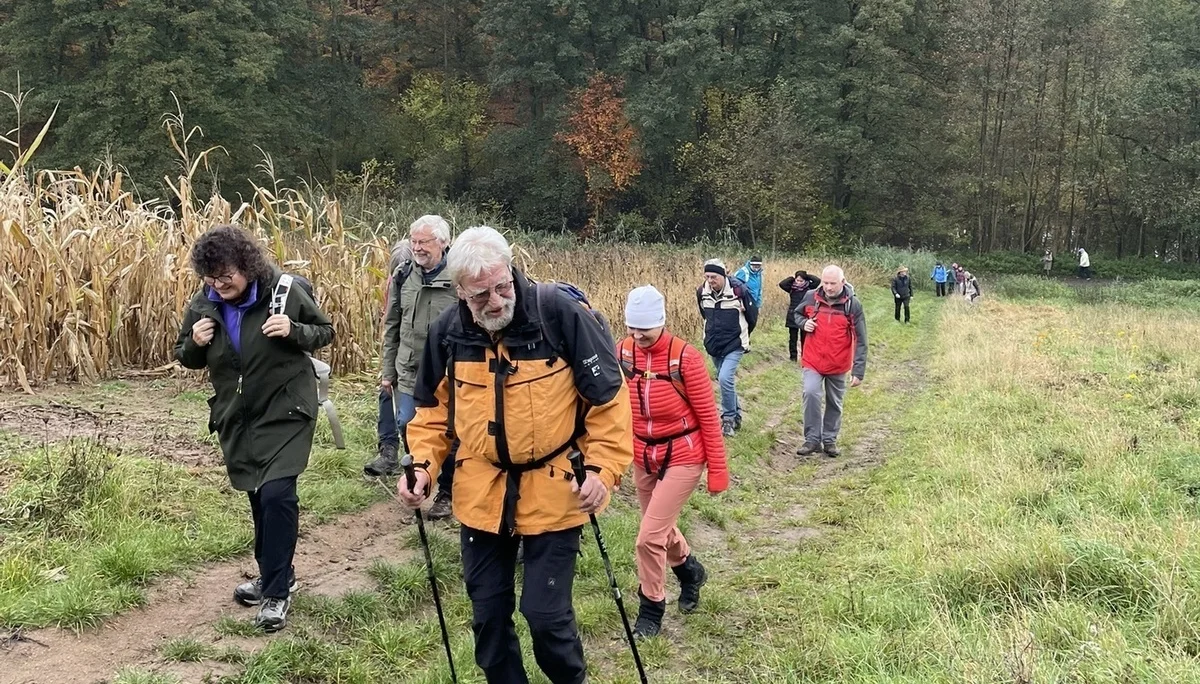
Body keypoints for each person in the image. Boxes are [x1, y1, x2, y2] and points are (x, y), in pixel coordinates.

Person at [398, 226, 634, 684]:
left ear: (511, 270)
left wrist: (603, 471)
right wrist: (423, 468)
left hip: (557, 487)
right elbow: (431, 413)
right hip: (481, 490)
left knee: (545, 616)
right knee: (488, 616)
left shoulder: (559, 315)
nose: (495, 300)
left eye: (502, 287)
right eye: (481, 294)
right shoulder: (449, 332)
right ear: (459, 290)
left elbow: (609, 403)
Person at [174, 224, 334, 632]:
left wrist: (293, 331)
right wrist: (195, 340)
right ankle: (275, 573)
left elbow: (325, 332)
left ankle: (276, 593)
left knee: (279, 493)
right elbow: (186, 357)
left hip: (286, 410)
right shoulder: (203, 304)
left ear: (247, 265)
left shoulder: (283, 291)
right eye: (210, 277)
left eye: (226, 275)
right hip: (238, 416)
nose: (218, 284)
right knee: (258, 497)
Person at [617, 285, 729, 639]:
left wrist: (718, 471)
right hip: (641, 453)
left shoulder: (686, 358)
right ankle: (690, 571)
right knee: (658, 529)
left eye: (644, 329)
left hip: (683, 454)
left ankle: (651, 607)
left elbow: (709, 417)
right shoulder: (621, 353)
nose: (638, 336)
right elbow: (612, 409)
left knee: (647, 538)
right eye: (632, 328)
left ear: (661, 322)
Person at [365, 216, 461, 519]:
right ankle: (420, 481)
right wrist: (387, 371)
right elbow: (391, 326)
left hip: (449, 374)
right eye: (414, 241)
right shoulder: (404, 275)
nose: (417, 248)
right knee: (408, 423)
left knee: (451, 432)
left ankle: (447, 491)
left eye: (424, 242)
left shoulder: (459, 278)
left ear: (443, 243)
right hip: (408, 370)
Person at [793, 265, 867, 457]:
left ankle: (829, 441)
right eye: (825, 282)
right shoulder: (811, 297)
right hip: (813, 360)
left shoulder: (852, 304)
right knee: (810, 394)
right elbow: (797, 314)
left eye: (832, 283)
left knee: (834, 402)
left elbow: (861, 339)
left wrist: (858, 371)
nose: (828, 287)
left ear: (842, 282)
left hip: (838, 363)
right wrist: (804, 323)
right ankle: (812, 440)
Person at [697, 258, 758, 436]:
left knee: (724, 379)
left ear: (724, 275)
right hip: (714, 344)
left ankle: (728, 419)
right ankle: (737, 414)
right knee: (725, 381)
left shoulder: (739, 291)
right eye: (707, 276)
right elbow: (705, 315)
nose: (710, 280)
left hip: (735, 343)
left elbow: (752, 317)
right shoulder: (702, 292)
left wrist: (743, 336)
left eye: (714, 276)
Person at [372, 238, 411, 477]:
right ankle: (388, 450)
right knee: (386, 391)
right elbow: (392, 323)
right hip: (399, 346)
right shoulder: (395, 281)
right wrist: (388, 367)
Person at [779, 269, 821, 361]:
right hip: (792, 314)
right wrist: (791, 278)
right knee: (792, 338)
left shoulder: (809, 288)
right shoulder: (791, 288)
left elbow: (817, 281)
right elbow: (782, 284)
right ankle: (793, 357)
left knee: (805, 338)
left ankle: (804, 356)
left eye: (801, 281)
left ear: (805, 281)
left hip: (804, 315)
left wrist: (807, 276)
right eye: (797, 280)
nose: (798, 283)